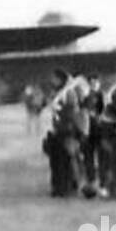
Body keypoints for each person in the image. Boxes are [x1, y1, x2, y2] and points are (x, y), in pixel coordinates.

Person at [43, 69, 88, 197]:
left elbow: (72, 113)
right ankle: (59, 186)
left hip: (67, 131)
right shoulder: (58, 93)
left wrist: (77, 131)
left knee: (65, 160)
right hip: (58, 131)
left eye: (54, 78)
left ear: (61, 79)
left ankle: (65, 187)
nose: (52, 81)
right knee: (57, 161)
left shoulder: (68, 93)